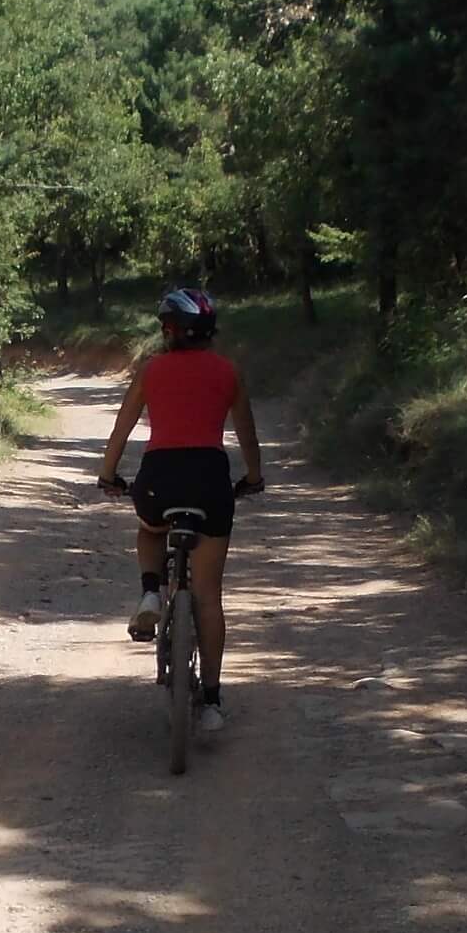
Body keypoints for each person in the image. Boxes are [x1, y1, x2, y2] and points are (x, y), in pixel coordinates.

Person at [96, 286, 264, 739]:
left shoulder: (151, 371)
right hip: (210, 480)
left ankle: (151, 592)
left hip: (160, 479)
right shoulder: (228, 372)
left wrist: (108, 475)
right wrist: (253, 478)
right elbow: (247, 436)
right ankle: (211, 702)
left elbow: (121, 428)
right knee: (209, 596)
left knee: (151, 530)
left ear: (168, 331)